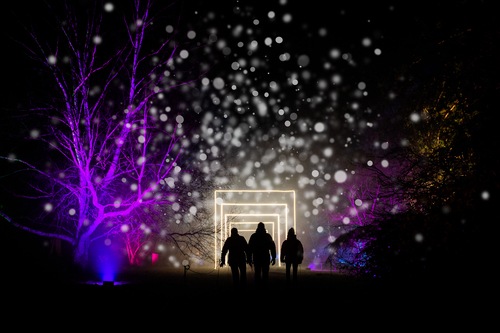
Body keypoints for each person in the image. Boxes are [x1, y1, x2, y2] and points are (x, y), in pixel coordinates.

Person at [248, 222, 276, 290]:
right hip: (265, 257)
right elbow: (272, 247)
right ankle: (264, 287)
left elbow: (250, 248)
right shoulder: (267, 236)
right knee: (265, 274)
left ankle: (257, 287)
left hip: (257, 257)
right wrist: (273, 257)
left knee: (257, 273)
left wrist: (249, 258)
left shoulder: (254, 236)